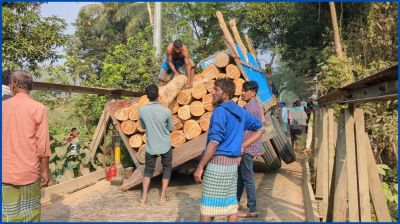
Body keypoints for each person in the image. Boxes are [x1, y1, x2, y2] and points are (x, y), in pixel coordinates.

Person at [194, 78, 265, 222]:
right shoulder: (240, 111)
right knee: (231, 207)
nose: (212, 92)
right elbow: (261, 128)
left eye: (216, 90)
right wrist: (244, 145)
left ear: (225, 94)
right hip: (232, 166)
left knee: (207, 208)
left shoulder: (220, 112)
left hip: (217, 165)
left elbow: (214, 142)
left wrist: (200, 167)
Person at [2, 71, 51, 221]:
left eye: (10, 83)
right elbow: (42, 144)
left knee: (8, 216)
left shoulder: (2, 106)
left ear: (14, 84)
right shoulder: (38, 108)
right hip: (30, 173)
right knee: (31, 215)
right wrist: (45, 171)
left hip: (5, 173)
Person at [137, 84, 174, 205]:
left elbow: (142, 127)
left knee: (148, 170)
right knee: (167, 168)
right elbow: (169, 128)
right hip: (165, 145)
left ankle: (143, 198)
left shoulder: (142, 110)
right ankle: (163, 196)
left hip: (151, 145)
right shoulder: (166, 111)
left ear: (147, 96)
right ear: (158, 95)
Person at [237, 81, 264, 218]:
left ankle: (251, 208)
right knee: (241, 177)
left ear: (253, 93)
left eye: (245, 90)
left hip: (247, 147)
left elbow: (258, 130)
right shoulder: (248, 107)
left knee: (247, 178)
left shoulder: (252, 108)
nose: (242, 93)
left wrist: (244, 145)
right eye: (242, 90)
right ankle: (236, 203)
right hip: (246, 147)